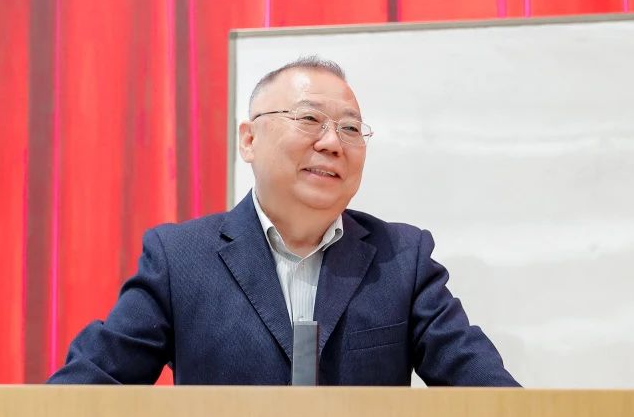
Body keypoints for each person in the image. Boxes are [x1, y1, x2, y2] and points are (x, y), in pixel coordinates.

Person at [48, 56, 519, 387]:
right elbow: (87, 390)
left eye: (350, 128)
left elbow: (489, 396)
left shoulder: (402, 259)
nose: (332, 143)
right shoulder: (180, 260)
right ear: (249, 140)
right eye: (309, 119)